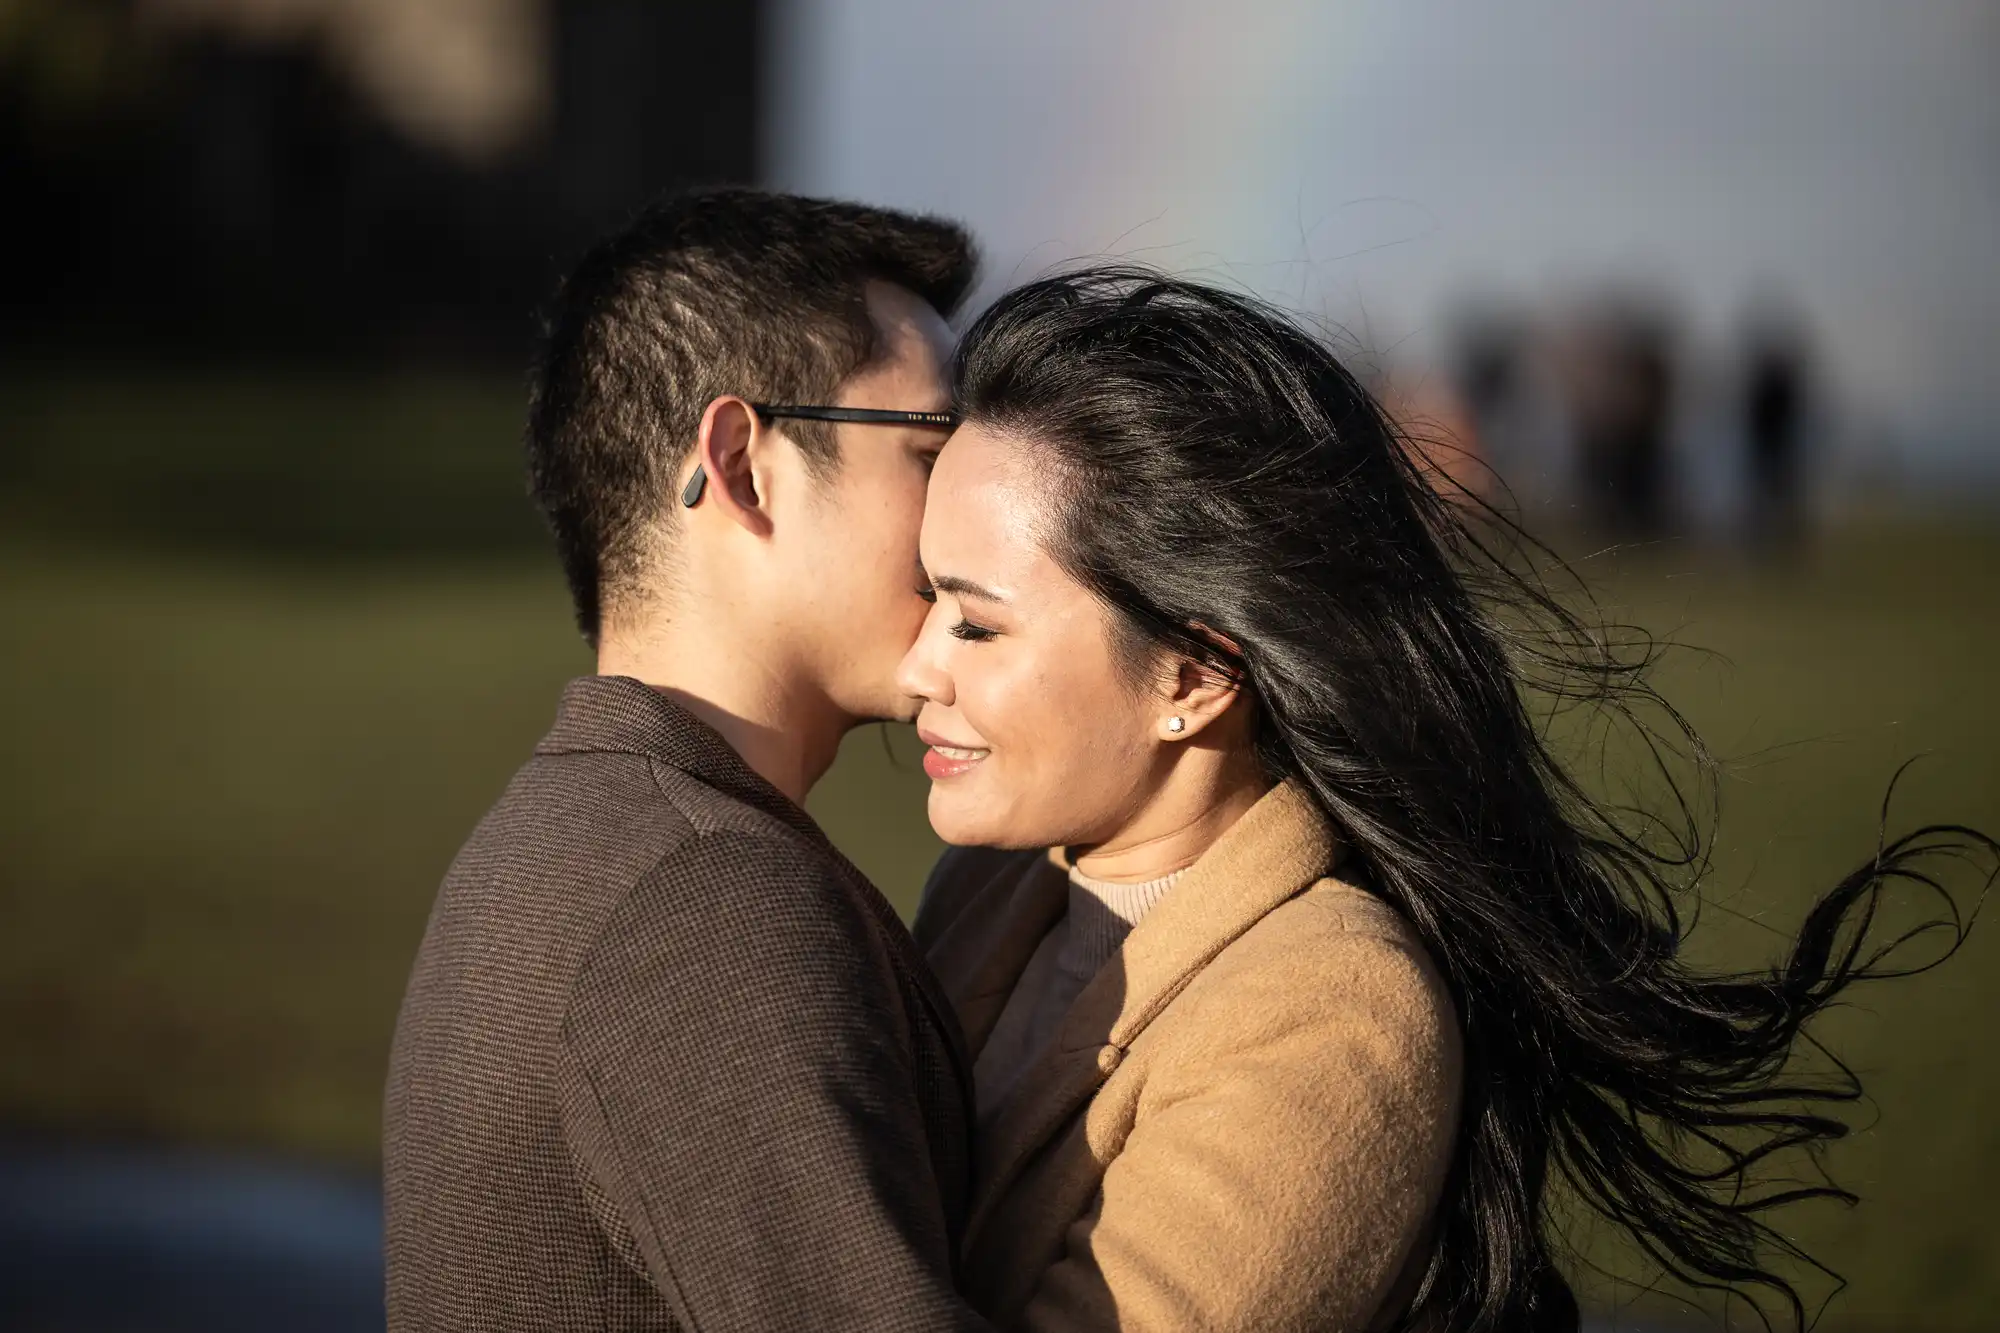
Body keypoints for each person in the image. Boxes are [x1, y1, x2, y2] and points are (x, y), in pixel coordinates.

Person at [900, 266, 1991, 1332]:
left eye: (975, 623)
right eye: (925, 596)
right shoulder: (995, 888)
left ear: (1193, 675)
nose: (915, 667)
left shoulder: (1328, 1014)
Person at [383, 188, 993, 1332]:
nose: (973, 520)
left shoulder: (566, 838)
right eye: (931, 450)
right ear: (743, 464)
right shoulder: (702, 900)